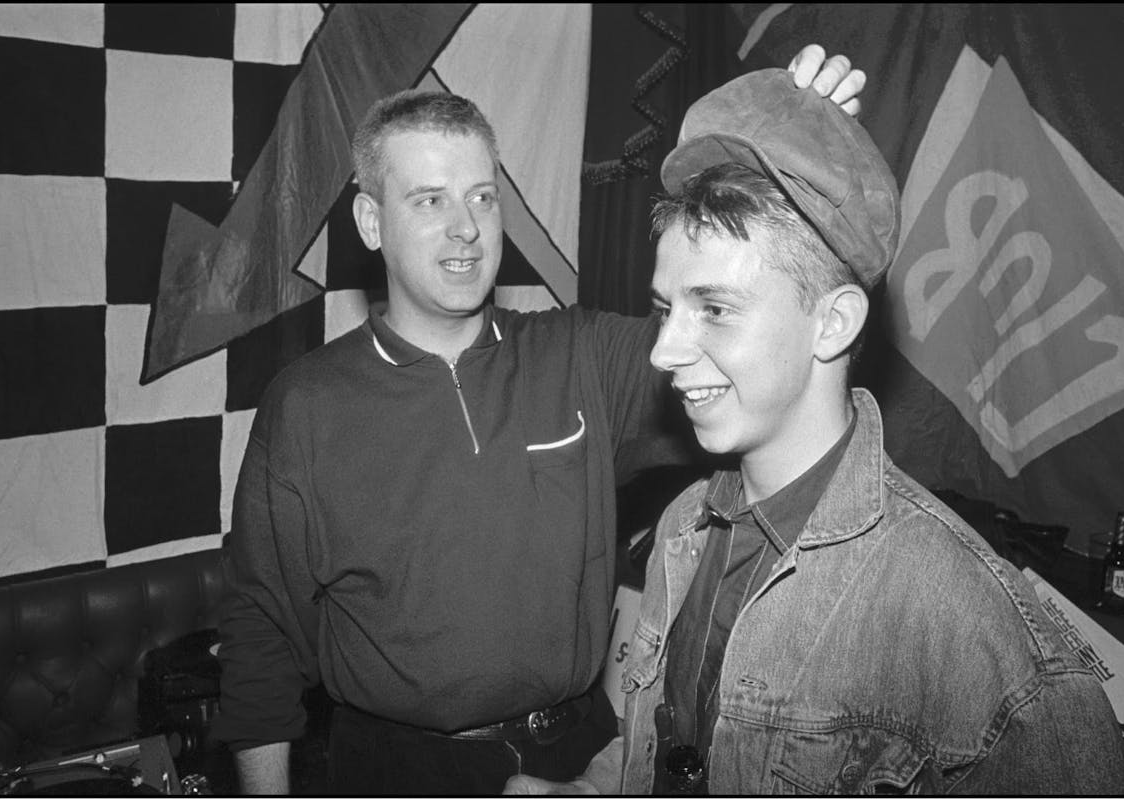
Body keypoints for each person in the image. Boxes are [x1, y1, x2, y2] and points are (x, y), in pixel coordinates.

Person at [211, 48, 866, 795]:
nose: (465, 228)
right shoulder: (306, 404)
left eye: (482, 197)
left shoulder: (578, 353)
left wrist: (793, 164)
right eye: (429, 201)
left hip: (576, 756)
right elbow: (260, 634)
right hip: (395, 769)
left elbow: (748, 341)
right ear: (371, 220)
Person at [505, 68, 1124, 795]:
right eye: (666, 309)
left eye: (714, 309)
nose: (663, 350)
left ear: (832, 324)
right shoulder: (683, 528)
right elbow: (680, 735)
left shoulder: (968, 622)